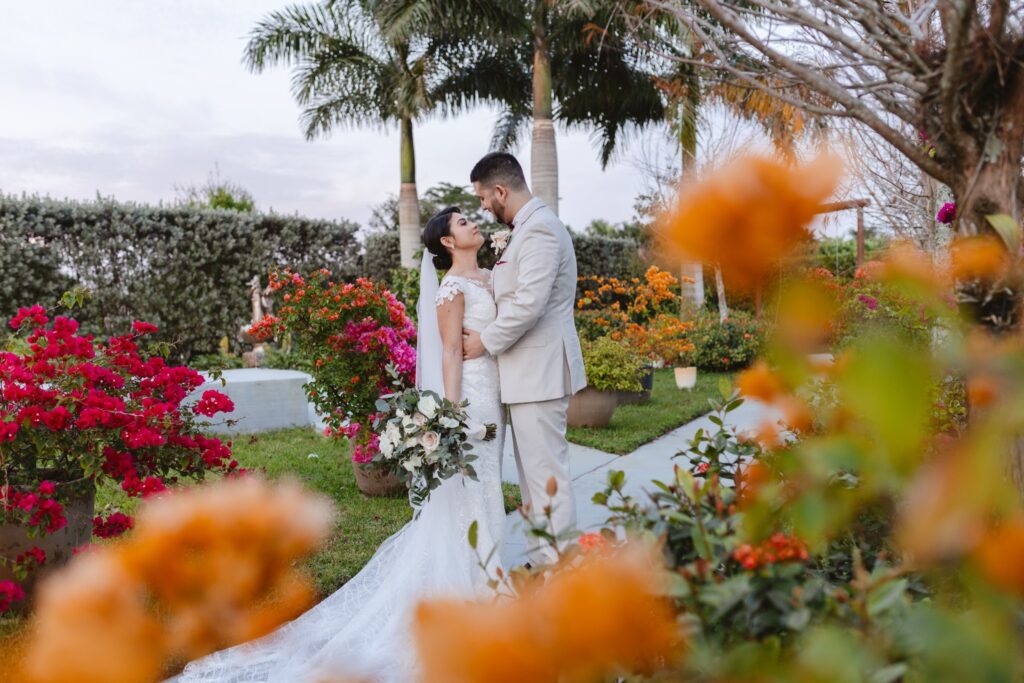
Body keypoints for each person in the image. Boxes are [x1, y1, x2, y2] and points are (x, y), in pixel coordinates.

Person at [172, 207, 506, 683]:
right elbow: (450, 351)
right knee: (473, 490)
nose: (472, 224)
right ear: (448, 243)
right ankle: (476, 595)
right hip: (471, 397)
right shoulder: (451, 287)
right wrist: (451, 414)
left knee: (488, 487)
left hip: (495, 396)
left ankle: (488, 583)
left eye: (471, 219)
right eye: (461, 223)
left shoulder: (490, 277)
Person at [462, 152, 587, 564]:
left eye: (482, 198)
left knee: (547, 478)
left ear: (501, 191)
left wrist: (485, 342)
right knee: (535, 480)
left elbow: (528, 304)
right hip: (528, 375)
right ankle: (544, 563)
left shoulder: (540, 232)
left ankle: (560, 573)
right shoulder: (527, 229)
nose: (482, 207)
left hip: (541, 373)